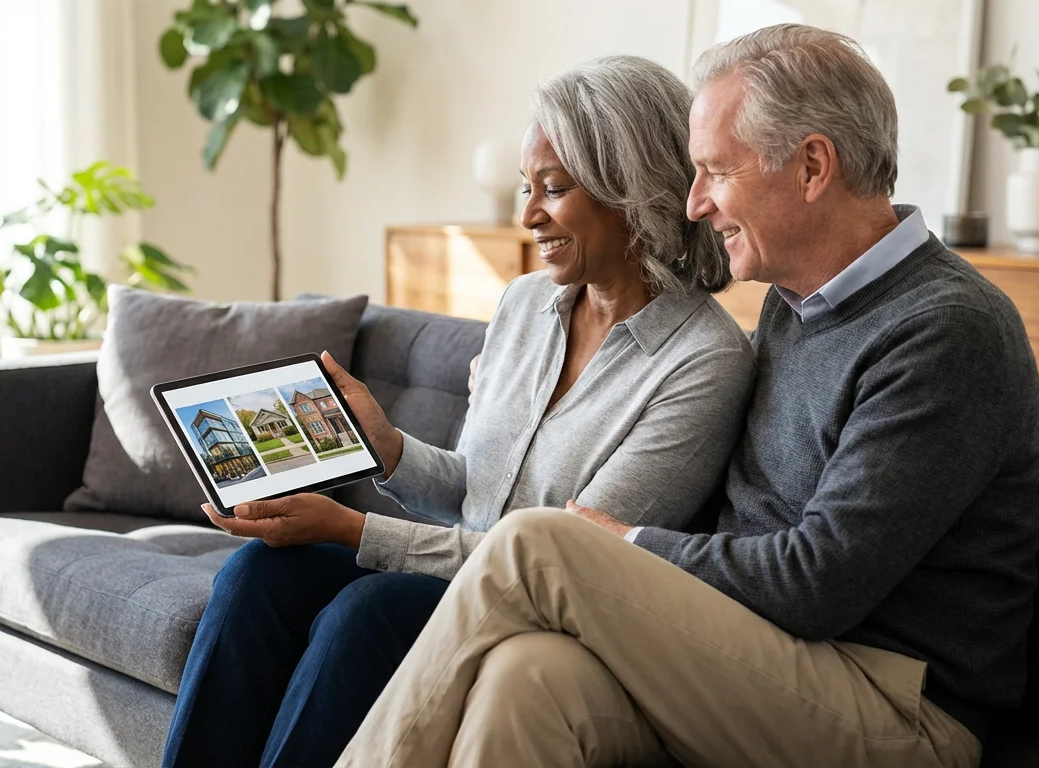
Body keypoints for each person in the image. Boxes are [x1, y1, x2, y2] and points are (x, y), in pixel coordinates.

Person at [336, 24, 1039, 768]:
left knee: (538, 541)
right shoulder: (794, 305)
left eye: (714, 171)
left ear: (811, 166)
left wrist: (628, 545)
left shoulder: (945, 331)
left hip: (897, 704)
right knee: (529, 678)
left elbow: (817, 584)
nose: (695, 203)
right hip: (765, 652)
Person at [160, 56, 757, 768]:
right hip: (457, 577)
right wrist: (388, 448)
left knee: (367, 614)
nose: (528, 215)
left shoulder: (703, 362)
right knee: (256, 575)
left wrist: (352, 528)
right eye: (525, 189)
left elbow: (561, 562)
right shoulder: (525, 303)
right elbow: (478, 489)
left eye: (553, 190)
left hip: (548, 618)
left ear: (629, 189)